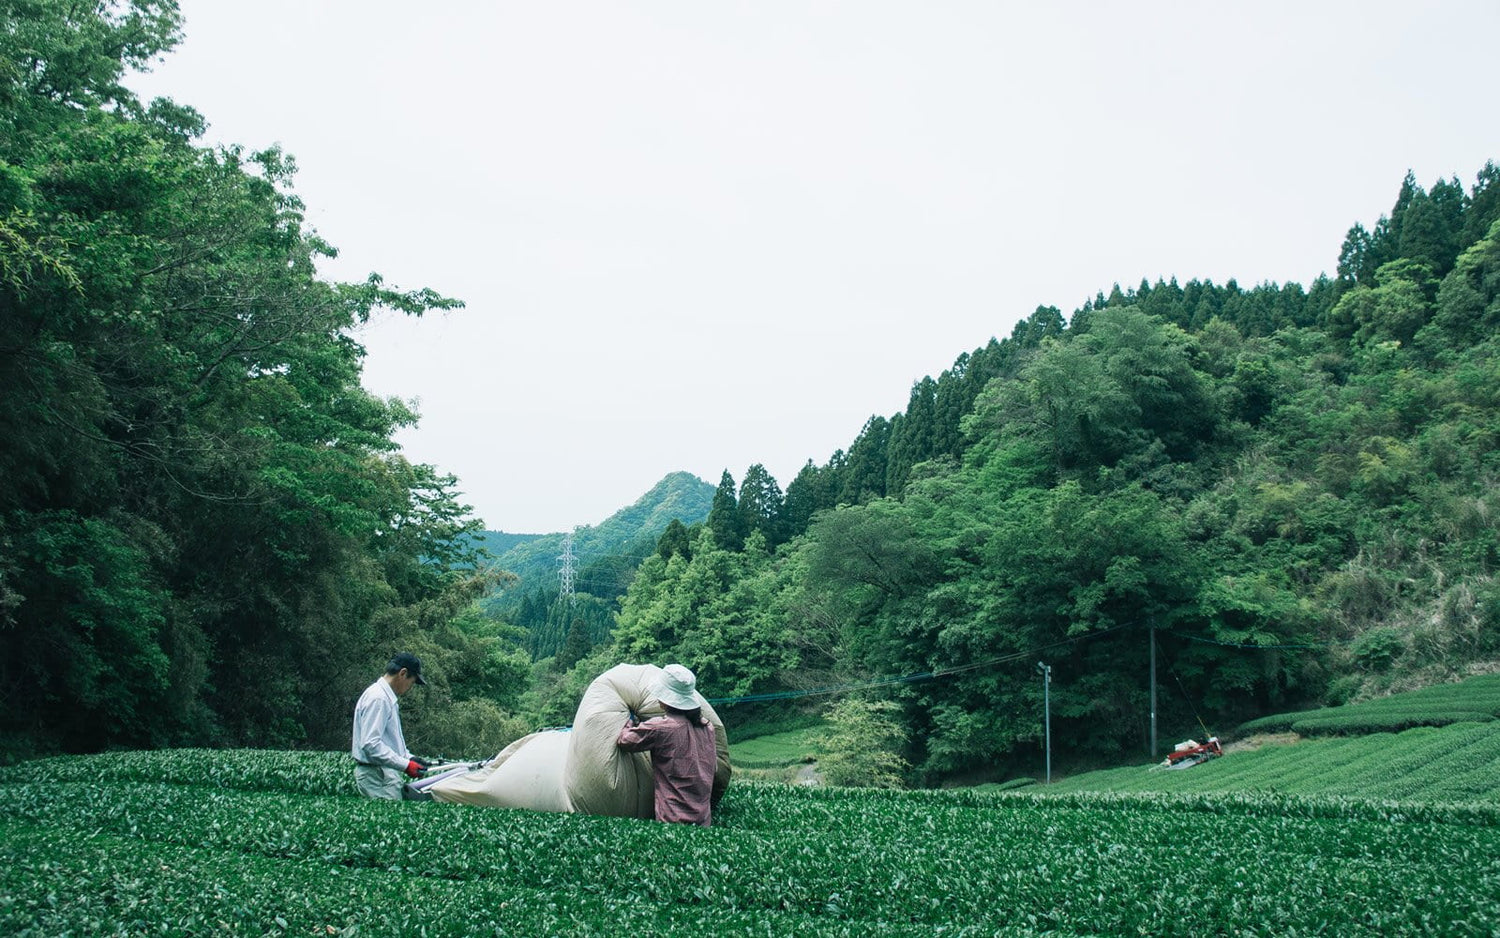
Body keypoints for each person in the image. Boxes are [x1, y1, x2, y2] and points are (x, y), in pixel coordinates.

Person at [615, 663, 719, 826]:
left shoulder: (661, 728)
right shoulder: (707, 727)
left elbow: (625, 740)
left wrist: (629, 722)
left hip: (672, 822)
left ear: (664, 699)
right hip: (703, 820)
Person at [351, 652, 428, 800]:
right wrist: (405, 765)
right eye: (411, 682)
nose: (410, 687)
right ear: (403, 673)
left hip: (383, 773)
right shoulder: (378, 698)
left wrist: (410, 758)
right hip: (377, 776)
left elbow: (390, 742)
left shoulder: (386, 697)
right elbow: (370, 744)